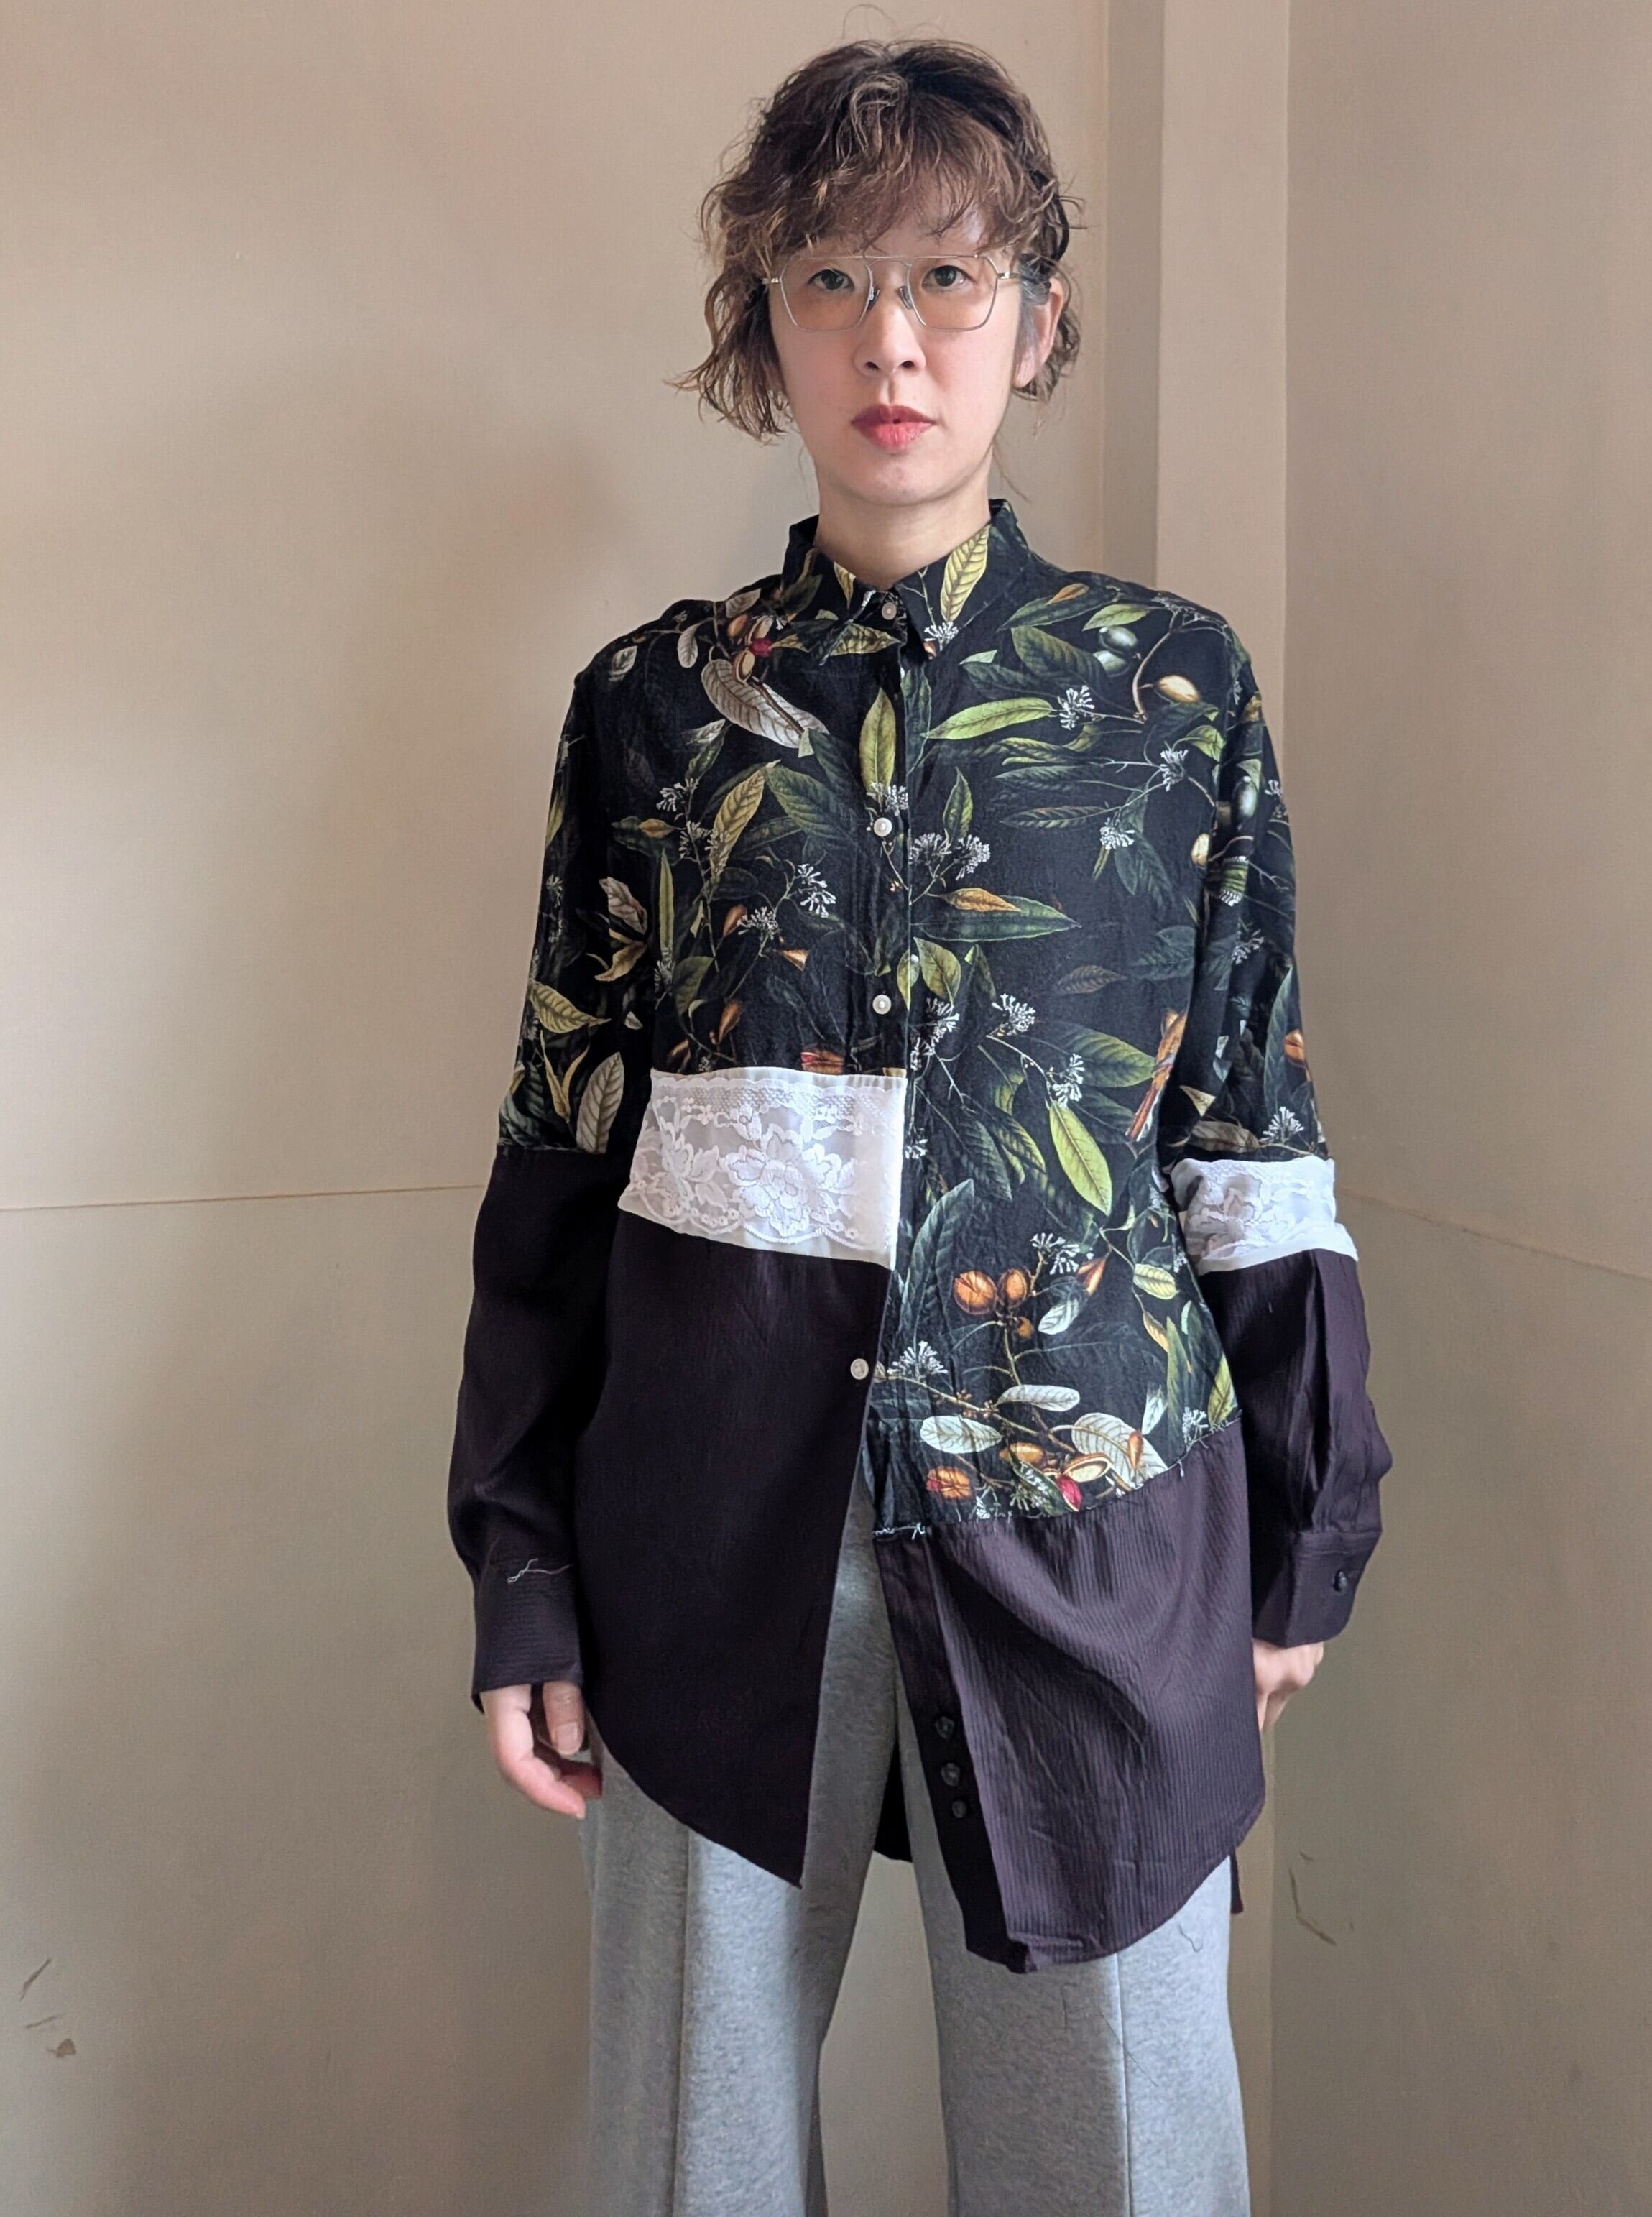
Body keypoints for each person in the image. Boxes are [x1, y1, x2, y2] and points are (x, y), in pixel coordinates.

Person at [446, 33, 1391, 2217]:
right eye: (833, 280)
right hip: (711, 1535)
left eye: (950, 278)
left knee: (1123, 2162)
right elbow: (564, 1143)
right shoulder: (651, 710)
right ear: (761, 327)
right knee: (692, 2161)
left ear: (1035, 321)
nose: (893, 338)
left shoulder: (1173, 695)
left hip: (1100, 1534)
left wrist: (1303, 1524)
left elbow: (1250, 1131)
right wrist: (525, 1566)